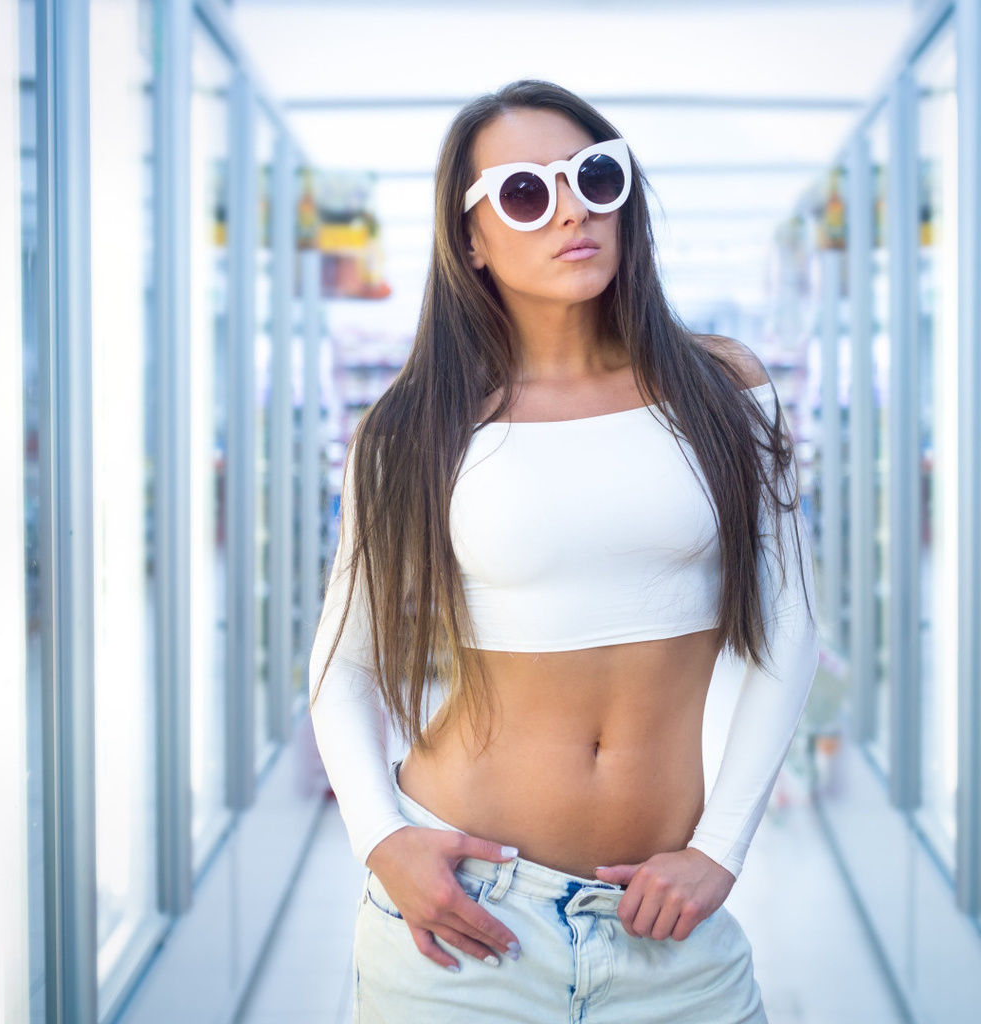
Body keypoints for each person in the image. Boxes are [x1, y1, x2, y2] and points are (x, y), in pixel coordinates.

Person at [309, 78, 820, 1024]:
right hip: (465, 919)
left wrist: (722, 847)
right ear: (471, 239)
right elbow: (344, 659)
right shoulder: (415, 427)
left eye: (593, 175)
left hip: (666, 930)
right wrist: (381, 839)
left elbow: (791, 627)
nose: (572, 208)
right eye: (525, 193)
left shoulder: (724, 390)